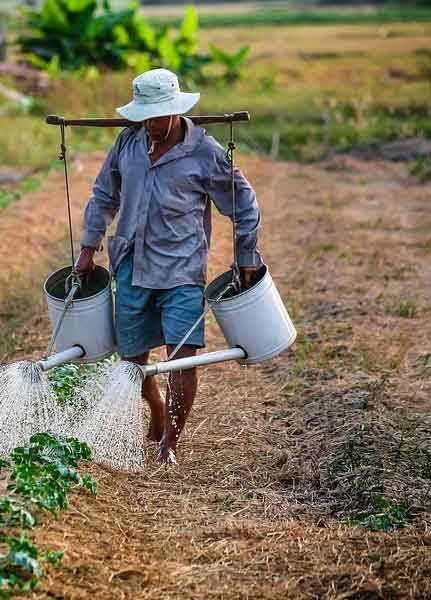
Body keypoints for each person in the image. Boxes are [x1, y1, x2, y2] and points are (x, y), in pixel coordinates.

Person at [74, 68, 262, 465]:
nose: (151, 125)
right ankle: (156, 407)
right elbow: (103, 195)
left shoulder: (205, 153)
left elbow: (244, 205)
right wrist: (88, 248)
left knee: (183, 356)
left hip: (181, 270)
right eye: (144, 116)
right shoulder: (127, 143)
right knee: (133, 361)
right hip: (131, 265)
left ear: (176, 111)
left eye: (158, 116)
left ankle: (168, 445)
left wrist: (246, 257)